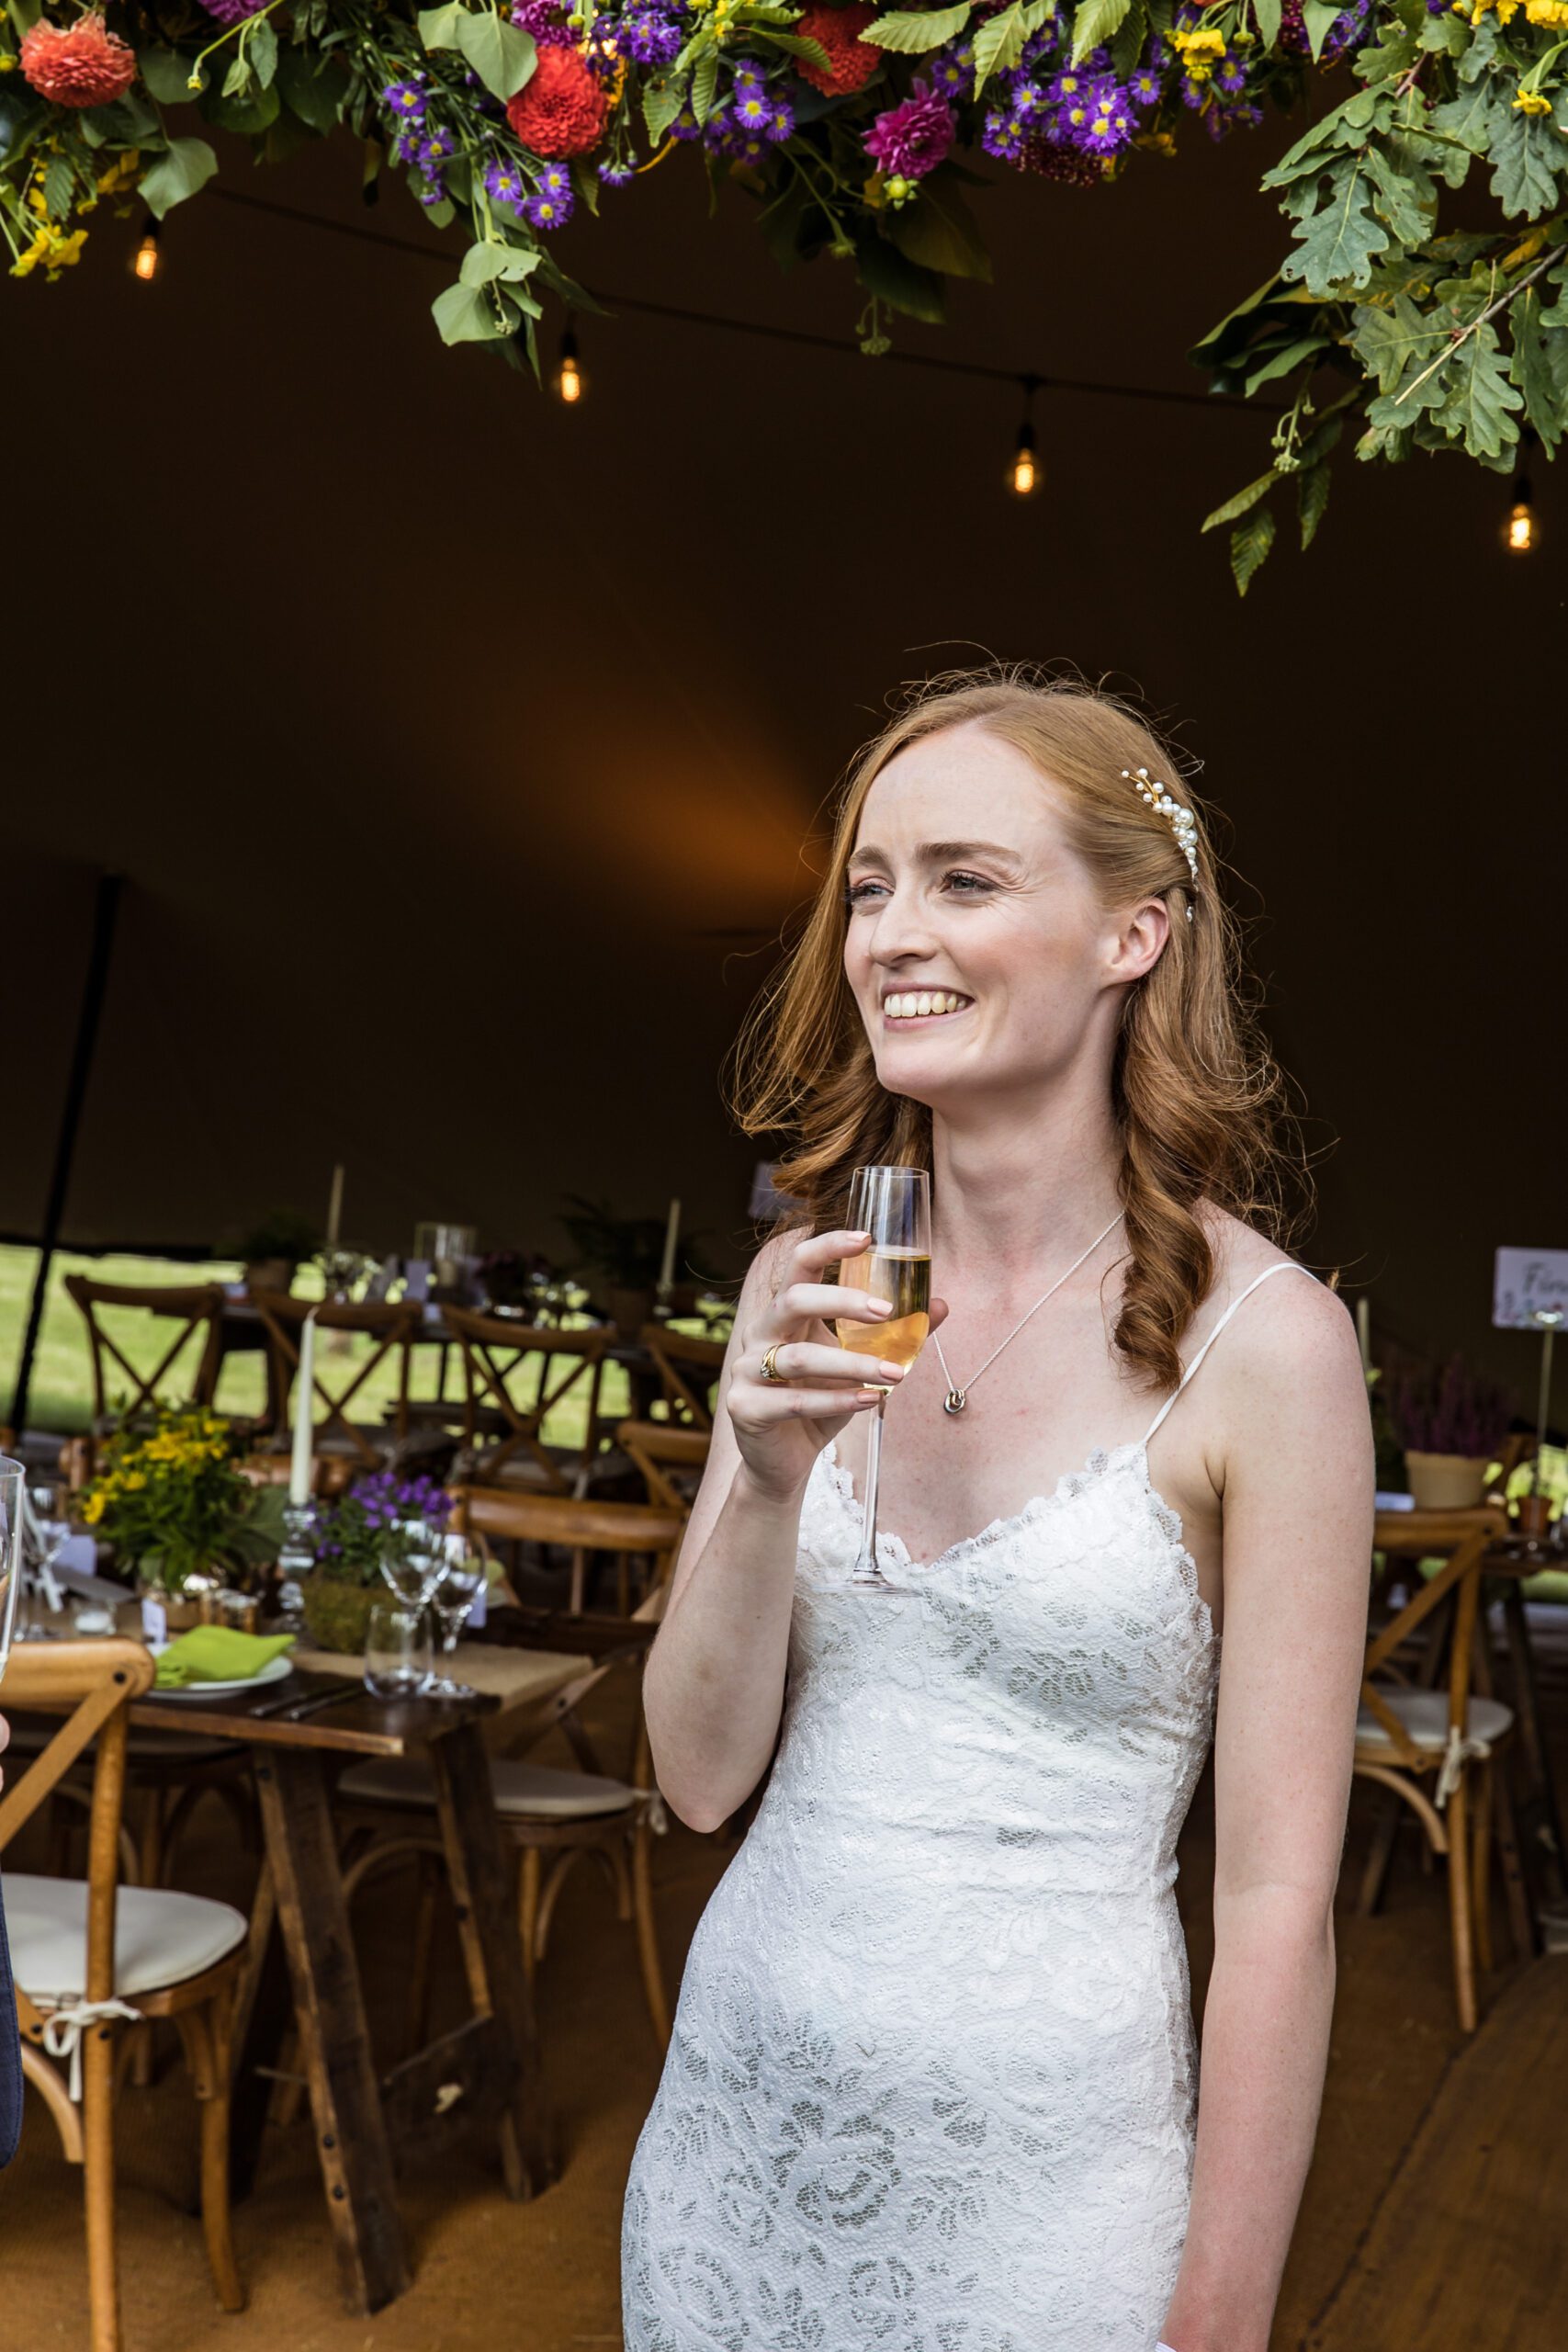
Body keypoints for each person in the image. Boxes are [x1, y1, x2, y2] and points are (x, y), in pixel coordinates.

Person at [621, 668, 1372, 2352]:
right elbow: (692, 1777)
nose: (893, 930)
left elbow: (1270, 1900)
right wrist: (756, 1483)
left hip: (1050, 2198)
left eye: (965, 879)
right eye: (870, 887)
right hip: (733, 2154)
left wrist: (1223, 2314)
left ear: (1136, 935)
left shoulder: (1269, 1348)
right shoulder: (803, 1286)